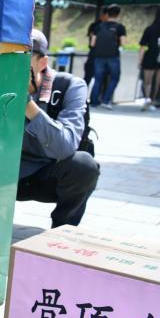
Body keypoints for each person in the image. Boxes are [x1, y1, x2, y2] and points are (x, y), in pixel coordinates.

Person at [17, 30, 100, 229]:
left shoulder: (70, 86)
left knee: (84, 166)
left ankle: (62, 233)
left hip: (44, 173)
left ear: (42, 62)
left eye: (21, 58)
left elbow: (65, 146)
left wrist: (27, 104)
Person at [88, 5, 127, 109]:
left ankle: (94, 102)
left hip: (99, 56)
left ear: (107, 14)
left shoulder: (98, 26)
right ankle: (106, 100)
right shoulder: (120, 27)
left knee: (98, 79)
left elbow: (92, 43)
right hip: (113, 56)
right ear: (118, 14)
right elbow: (123, 43)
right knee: (115, 78)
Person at [138, 7, 160, 111]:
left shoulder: (150, 29)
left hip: (150, 56)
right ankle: (152, 101)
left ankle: (147, 99)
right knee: (157, 82)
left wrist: (140, 61)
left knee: (148, 81)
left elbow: (142, 46)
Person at [83, 7, 108, 87]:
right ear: (104, 15)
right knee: (89, 77)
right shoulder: (96, 26)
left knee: (97, 79)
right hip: (94, 54)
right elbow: (92, 42)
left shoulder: (96, 26)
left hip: (97, 55)